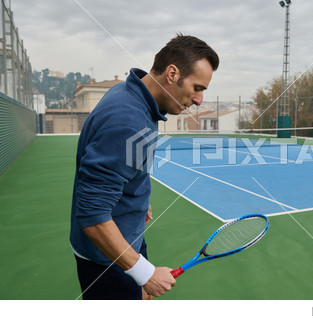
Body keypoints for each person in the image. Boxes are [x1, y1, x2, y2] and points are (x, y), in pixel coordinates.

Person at [70, 34, 219, 300]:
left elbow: (120, 167)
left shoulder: (131, 93)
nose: (198, 100)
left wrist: (136, 198)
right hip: (108, 260)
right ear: (172, 73)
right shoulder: (128, 120)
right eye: (197, 87)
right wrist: (144, 273)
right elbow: (92, 215)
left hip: (125, 238)